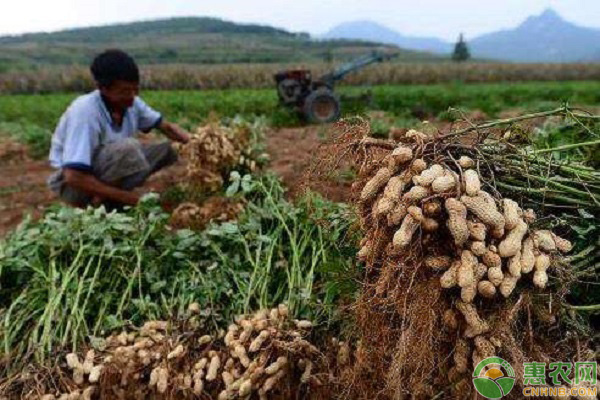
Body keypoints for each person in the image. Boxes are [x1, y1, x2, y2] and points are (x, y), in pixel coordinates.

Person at [47, 49, 190, 208]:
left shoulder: (131, 102)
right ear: (104, 89)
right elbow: (73, 177)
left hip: (107, 172)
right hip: (75, 188)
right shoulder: (85, 112)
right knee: (128, 148)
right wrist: (134, 200)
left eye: (135, 89)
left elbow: (167, 127)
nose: (132, 96)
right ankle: (100, 203)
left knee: (169, 149)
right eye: (124, 91)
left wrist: (201, 144)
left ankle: (111, 197)